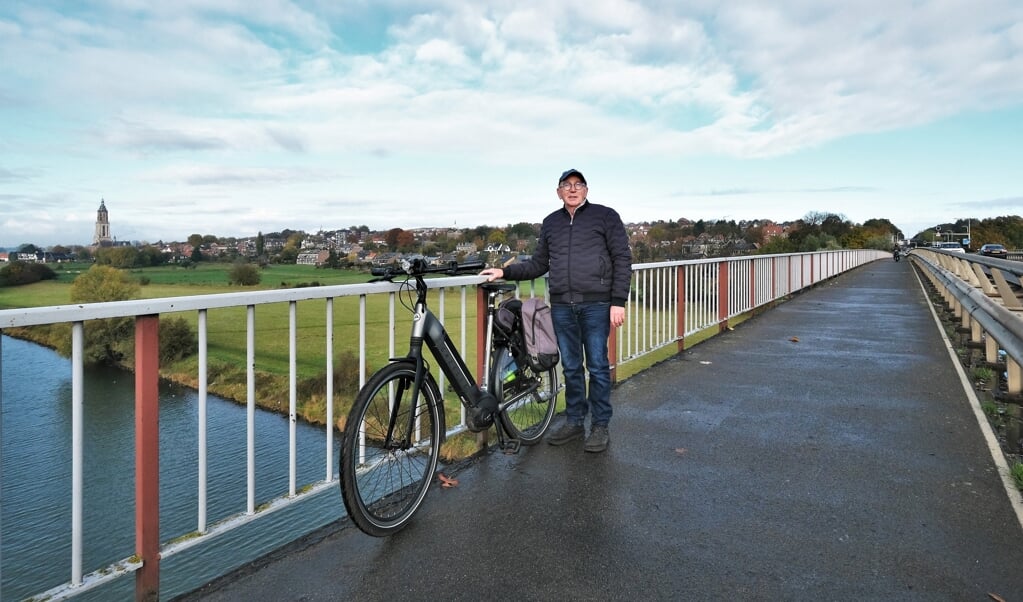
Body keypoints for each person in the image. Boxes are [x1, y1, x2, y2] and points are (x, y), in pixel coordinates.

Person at [481, 169, 632, 453]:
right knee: (572, 367)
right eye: (567, 185)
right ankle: (575, 421)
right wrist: (504, 270)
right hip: (563, 305)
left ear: (586, 190)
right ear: (558, 192)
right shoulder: (551, 223)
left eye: (578, 185)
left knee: (598, 366)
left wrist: (618, 301)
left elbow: (622, 259)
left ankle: (600, 425)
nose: (573, 189)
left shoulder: (605, 216)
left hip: (597, 304)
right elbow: (539, 264)